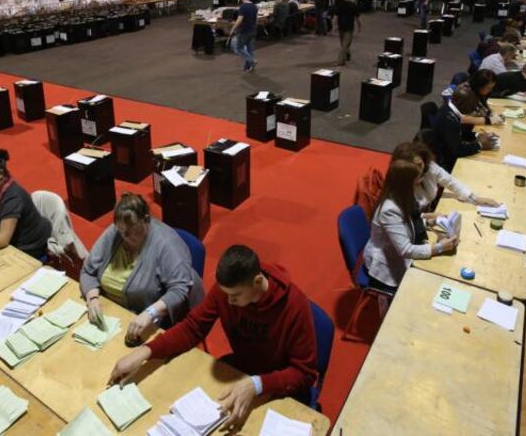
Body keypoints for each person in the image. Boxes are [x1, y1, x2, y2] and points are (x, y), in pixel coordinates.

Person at [109, 245, 317, 430]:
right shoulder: (227, 292)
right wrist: (145, 351)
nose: (228, 301)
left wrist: (257, 384)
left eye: (235, 296)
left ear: (258, 281)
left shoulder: (295, 306)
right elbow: (192, 327)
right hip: (239, 372)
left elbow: (304, 373)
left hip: (278, 388)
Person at [80, 193, 204, 345]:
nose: (125, 236)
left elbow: (180, 289)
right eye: (121, 230)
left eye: (132, 230)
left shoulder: (167, 244)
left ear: (146, 220)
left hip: (144, 322)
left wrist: (150, 313)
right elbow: (88, 271)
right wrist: (92, 298)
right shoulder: (116, 232)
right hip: (110, 312)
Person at [362, 159, 460, 290]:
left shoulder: (403, 195)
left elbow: (406, 223)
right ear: (406, 184)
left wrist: (429, 222)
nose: (420, 184)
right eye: (417, 181)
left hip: (397, 253)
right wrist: (440, 247)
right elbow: (405, 250)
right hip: (386, 268)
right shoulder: (389, 210)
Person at [393, 141, 499, 211]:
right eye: (413, 168)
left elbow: (450, 181)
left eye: (420, 165)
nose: (419, 171)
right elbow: (407, 223)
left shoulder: (429, 167)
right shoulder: (399, 189)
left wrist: (475, 198)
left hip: (427, 215)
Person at [430, 83, 496, 172]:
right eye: (471, 105)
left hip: (448, 150)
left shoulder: (449, 108)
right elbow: (457, 150)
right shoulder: (449, 119)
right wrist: (480, 145)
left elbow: (458, 132)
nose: (472, 109)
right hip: (446, 161)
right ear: (462, 104)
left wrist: (477, 135)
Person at [228, 0, 258, 72]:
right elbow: (255, 19)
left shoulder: (243, 7)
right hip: (253, 30)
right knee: (250, 49)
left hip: (244, 31)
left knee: (239, 48)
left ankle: (252, 61)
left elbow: (239, 20)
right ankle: (248, 67)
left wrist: (232, 29)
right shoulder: (254, 6)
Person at [333, 0, 360, 66]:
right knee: (345, 44)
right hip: (349, 28)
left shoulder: (340, 5)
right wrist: (359, 28)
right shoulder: (354, 6)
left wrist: (334, 26)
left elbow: (336, 17)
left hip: (341, 27)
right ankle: (340, 61)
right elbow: (357, 19)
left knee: (343, 44)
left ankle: (346, 54)